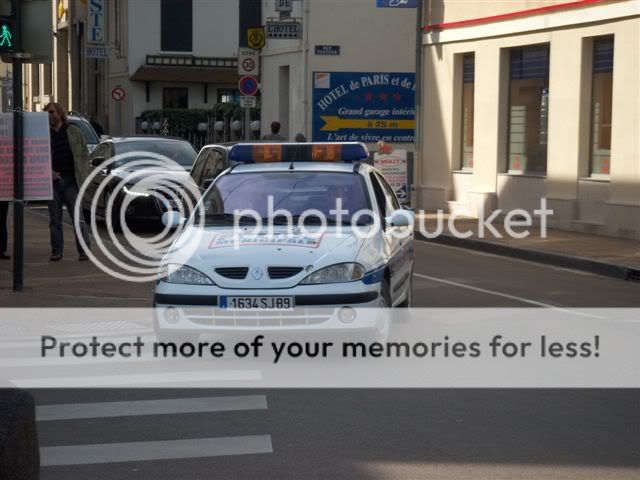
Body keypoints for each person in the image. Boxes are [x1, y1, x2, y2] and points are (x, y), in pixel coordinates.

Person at [44, 102, 91, 262]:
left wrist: (82, 172)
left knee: (78, 218)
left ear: (60, 113)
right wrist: (48, 172)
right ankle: (57, 251)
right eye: (47, 113)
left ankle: (84, 252)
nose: (50, 116)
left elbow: (84, 153)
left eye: (52, 112)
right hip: (53, 183)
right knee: (54, 220)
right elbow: (39, 157)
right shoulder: (45, 134)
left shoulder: (73, 131)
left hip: (71, 180)